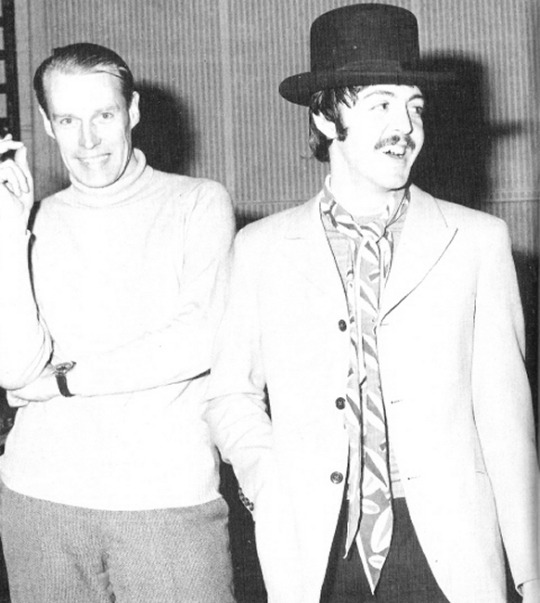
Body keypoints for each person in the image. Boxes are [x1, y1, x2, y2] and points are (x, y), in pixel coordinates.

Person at [205, 4, 539, 603]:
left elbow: (507, 422)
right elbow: (230, 395)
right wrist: (272, 482)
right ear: (325, 116)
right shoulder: (260, 249)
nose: (404, 126)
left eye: (415, 107)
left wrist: (530, 572)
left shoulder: (477, 241)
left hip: (449, 551)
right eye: (381, 105)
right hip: (318, 547)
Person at [0, 43, 236, 602]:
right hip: (40, 500)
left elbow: (198, 339)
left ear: (132, 111)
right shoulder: (35, 221)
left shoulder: (198, 202)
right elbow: (14, 369)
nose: (88, 141)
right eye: (68, 120)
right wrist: (9, 232)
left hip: (164, 503)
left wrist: (63, 381)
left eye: (103, 115)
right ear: (46, 125)